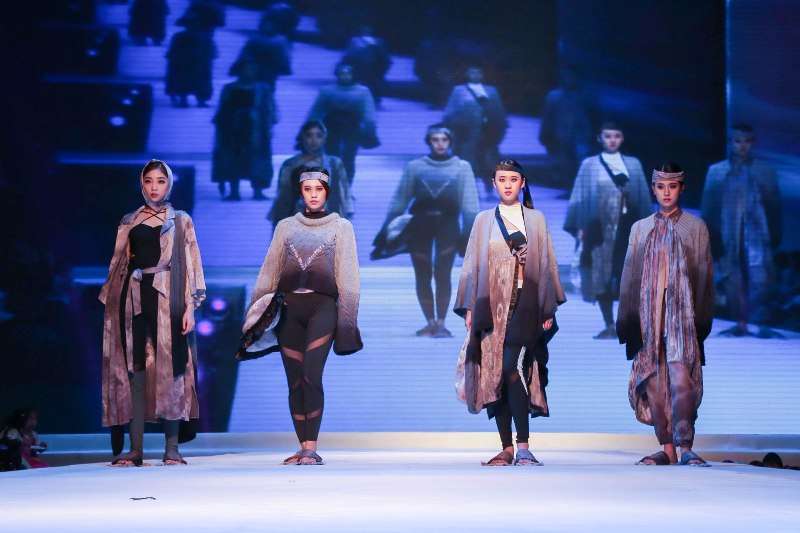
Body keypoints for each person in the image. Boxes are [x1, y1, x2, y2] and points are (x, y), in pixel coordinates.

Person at [246, 167, 362, 465]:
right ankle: (303, 446)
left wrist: (348, 322)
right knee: (295, 381)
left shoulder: (341, 227)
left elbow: (349, 278)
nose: (313, 194)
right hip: (289, 309)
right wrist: (254, 317)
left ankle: (312, 447)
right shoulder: (286, 227)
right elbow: (269, 271)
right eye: (308, 189)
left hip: (322, 307)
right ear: (300, 192)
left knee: (311, 374)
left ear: (327, 192)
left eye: (318, 189)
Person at [454, 159, 565, 466]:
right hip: (491, 306)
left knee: (510, 367)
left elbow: (547, 263)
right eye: (502, 179)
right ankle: (506, 448)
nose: (507, 185)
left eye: (513, 179)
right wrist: (469, 306)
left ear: (522, 183)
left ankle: (524, 446)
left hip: (526, 305)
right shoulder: (483, 220)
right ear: (494, 183)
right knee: (494, 373)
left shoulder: (536, 219)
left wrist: (547, 306)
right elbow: (472, 264)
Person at [99, 160, 206, 466]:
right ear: (142, 184)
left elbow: (192, 264)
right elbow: (119, 264)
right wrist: (112, 302)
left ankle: (172, 448)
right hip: (133, 298)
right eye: (149, 181)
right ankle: (136, 449)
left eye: (160, 181)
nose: (154, 187)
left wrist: (190, 307)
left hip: (168, 298)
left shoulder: (181, 220)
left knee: (170, 371)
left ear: (169, 184)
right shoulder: (130, 220)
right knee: (135, 372)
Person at [617, 163, 713, 467]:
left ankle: (686, 446)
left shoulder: (695, 227)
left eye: (672, 186)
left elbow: (704, 275)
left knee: (682, 376)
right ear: (653, 189)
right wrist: (627, 320)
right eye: (661, 186)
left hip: (683, 318)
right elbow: (629, 276)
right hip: (648, 316)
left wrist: (701, 321)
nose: (666, 192)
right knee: (654, 379)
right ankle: (668, 448)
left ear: (681, 188)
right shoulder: (640, 228)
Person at [374, 124, 479, 338]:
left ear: (450, 142)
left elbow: (470, 205)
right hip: (420, 225)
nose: (440, 144)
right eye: (435, 140)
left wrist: (469, 234)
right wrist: (386, 228)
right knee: (422, 273)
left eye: (444, 140)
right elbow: (400, 199)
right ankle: (430, 322)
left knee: (443, 273)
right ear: (428, 142)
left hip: (448, 225)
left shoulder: (461, 167)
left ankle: (441, 323)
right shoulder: (415, 167)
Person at [563, 122, 652, 339]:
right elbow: (580, 196)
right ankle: (610, 324)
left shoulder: (633, 164)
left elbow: (642, 197)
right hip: (599, 227)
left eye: (617, 136)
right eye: (608, 136)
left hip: (627, 226)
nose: (612, 140)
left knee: (628, 274)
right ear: (599, 138)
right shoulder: (590, 165)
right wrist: (580, 227)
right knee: (600, 273)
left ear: (622, 138)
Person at [701, 124, 782, 338]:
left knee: (761, 276)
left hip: (758, 233)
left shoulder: (765, 170)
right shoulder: (717, 171)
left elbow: (774, 205)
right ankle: (741, 323)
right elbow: (708, 206)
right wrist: (710, 236)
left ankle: (763, 324)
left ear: (752, 142)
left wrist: (775, 233)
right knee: (731, 276)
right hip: (727, 232)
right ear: (731, 142)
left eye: (746, 141)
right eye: (738, 141)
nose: (742, 146)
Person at [268, 120, 353, 231]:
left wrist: (346, 214)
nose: (314, 140)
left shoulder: (334, 164)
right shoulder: (290, 165)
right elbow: (283, 195)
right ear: (302, 137)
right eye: (309, 135)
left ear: (324, 138)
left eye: (319, 136)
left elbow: (343, 192)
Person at [212, 58, 276, 200]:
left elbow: (270, 109)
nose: (248, 72)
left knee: (258, 159)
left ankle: (258, 191)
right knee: (233, 158)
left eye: (252, 69)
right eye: (245, 68)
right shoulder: (230, 88)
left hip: (257, 130)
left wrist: (268, 125)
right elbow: (223, 108)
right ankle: (234, 191)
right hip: (235, 129)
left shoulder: (263, 89)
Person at [307, 63, 378, 184]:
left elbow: (369, 114)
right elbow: (316, 110)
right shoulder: (328, 91)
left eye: (348, 73)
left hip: (352, 127)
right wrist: (309, 128)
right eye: (342, 73)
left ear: (353, 75)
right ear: (337, 75)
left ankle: (346, 185)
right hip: (331, 127)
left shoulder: (362, 92)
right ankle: (333, 183)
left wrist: (370, 130)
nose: (345, 76)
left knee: (349, 157)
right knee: (332, 156)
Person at [443, 66, 507, 191]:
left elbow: (498, 111)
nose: (475, 75)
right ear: (467, 74)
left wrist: (498, 129)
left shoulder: (491, 90)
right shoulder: (459, 90)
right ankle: (470, 188)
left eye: (478, 73)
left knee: (487, 159)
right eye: (472, 73)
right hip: (466, 133)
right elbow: (451, 110)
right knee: (468, 159)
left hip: (486, 132)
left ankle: (489, 186)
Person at [538, 66, 599, 189]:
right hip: (561, 136)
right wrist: (545, 134)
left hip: (582, 137)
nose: (570, 79)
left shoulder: (587, 96)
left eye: (572, 76)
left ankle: (581, 189)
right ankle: (570, 188)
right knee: (566, 165)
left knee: (582, 163)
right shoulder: (554, 96)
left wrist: (595, 136)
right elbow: (548, 118)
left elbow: (595, 117)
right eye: (567, 76)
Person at [165, 15, 217, 108]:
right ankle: (194, 100)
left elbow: (172, 51)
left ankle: (192, 100)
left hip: (194, 63)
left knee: (193, 81)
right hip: (190, 63)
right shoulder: (203, 37)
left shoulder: (202, 37)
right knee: (194, 81)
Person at [342, 25, 392, 105]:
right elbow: (385, 58)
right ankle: (372, 99)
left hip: (364, 68)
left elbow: (349, 55)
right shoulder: (377, 41)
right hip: (373, 68)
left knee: (364, 84)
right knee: (372, 84)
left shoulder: (356, 41)